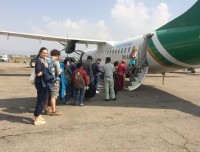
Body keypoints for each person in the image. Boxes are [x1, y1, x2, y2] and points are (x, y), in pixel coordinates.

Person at [34, 47, 48, 125]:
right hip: (40, 83)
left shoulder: (44, 60)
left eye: (46, 53)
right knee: (40, 100)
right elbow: (38, 73)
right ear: (40, 53)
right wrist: (46, 71)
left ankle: (38, 115)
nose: (45, 54)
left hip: (44, 83)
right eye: (44, 53)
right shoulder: (39, 61)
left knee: (44, 99)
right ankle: (36, 118)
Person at [49, 49, 62, 116]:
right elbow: (58, 72)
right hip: (54, 81)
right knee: (53, 96)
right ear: (57, 55)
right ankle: (53, 111)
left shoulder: (47, 60)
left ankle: (45, 108)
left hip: (48, 81)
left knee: (47, 96)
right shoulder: (56, 62)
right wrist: (61, 70)